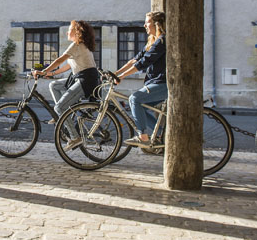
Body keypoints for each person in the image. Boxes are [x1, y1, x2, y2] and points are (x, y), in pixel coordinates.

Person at [34, 20, 100, 150]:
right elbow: (68, 65)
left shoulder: (77, 45)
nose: (67, 31)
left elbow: (60, 60)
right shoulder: (80, 46)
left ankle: (75, 137)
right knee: (54, 85)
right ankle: (65, 116)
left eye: (69, 29)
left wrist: (43, 71)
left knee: (59, 108)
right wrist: (52, 74)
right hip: (80, 78)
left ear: (77, 32)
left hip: (85, 80)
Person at [114, 11, 166, 147]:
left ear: (156, 24)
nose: (144, 25)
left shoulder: (162, 41)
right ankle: (161, 134)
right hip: (155, 82)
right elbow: (135, 59)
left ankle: (142, 136)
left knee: (134, 99)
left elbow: (143, 63)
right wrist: (117, 73)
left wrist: (122, 76)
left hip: (164, 83)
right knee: (140, 106)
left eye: (147, 22)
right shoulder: (153, 41)